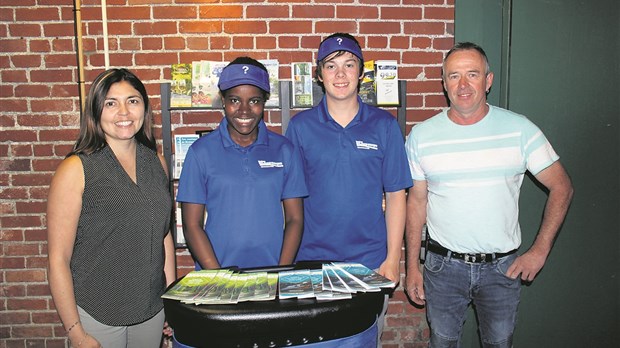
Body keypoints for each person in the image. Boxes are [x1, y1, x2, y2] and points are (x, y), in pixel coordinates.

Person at [404, 42, 574, 347]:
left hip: (501, 270)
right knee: (441, 342)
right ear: (444, 84)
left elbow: (562, 186)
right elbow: (416, 202)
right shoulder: (421, 136)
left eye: (473, 74)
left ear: (488, 80)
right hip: (442, 267)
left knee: (499, 343)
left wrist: (540, 250)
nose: (464, 85)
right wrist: (412, 268)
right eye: (454, 76)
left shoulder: (520, 130)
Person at [285, 33, 412, 340]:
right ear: (318, 74)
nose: (340, 74)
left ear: (361, 72)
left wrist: (393, 259)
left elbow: (396, 195)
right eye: (331, 66)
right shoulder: (300, 128)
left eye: (349, 65)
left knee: (364, 341)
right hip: (311, 262)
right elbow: (289, 201)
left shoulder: (384, 126)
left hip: (369, 264)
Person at [47, 68, 176, 348]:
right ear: (96, 111)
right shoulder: (76, 169)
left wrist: (170, 300)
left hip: (150, 311)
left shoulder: (157, 163)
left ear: (144, 107)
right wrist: (75, 332)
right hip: (97, 314)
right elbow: (58, 259)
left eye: (132, 101)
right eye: (111, 103)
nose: (124, 112)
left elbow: (164, 235)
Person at [176, 57, 307, 270]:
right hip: (217, 277)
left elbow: (295, 219)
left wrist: (280, 273)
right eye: (235, 100)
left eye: (254, 101)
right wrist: (218, 277)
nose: (244, 111)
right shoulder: (200, 152)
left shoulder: (284, 150)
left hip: (271, 274)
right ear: (223, 101)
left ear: (265, 101)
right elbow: (192, 225)